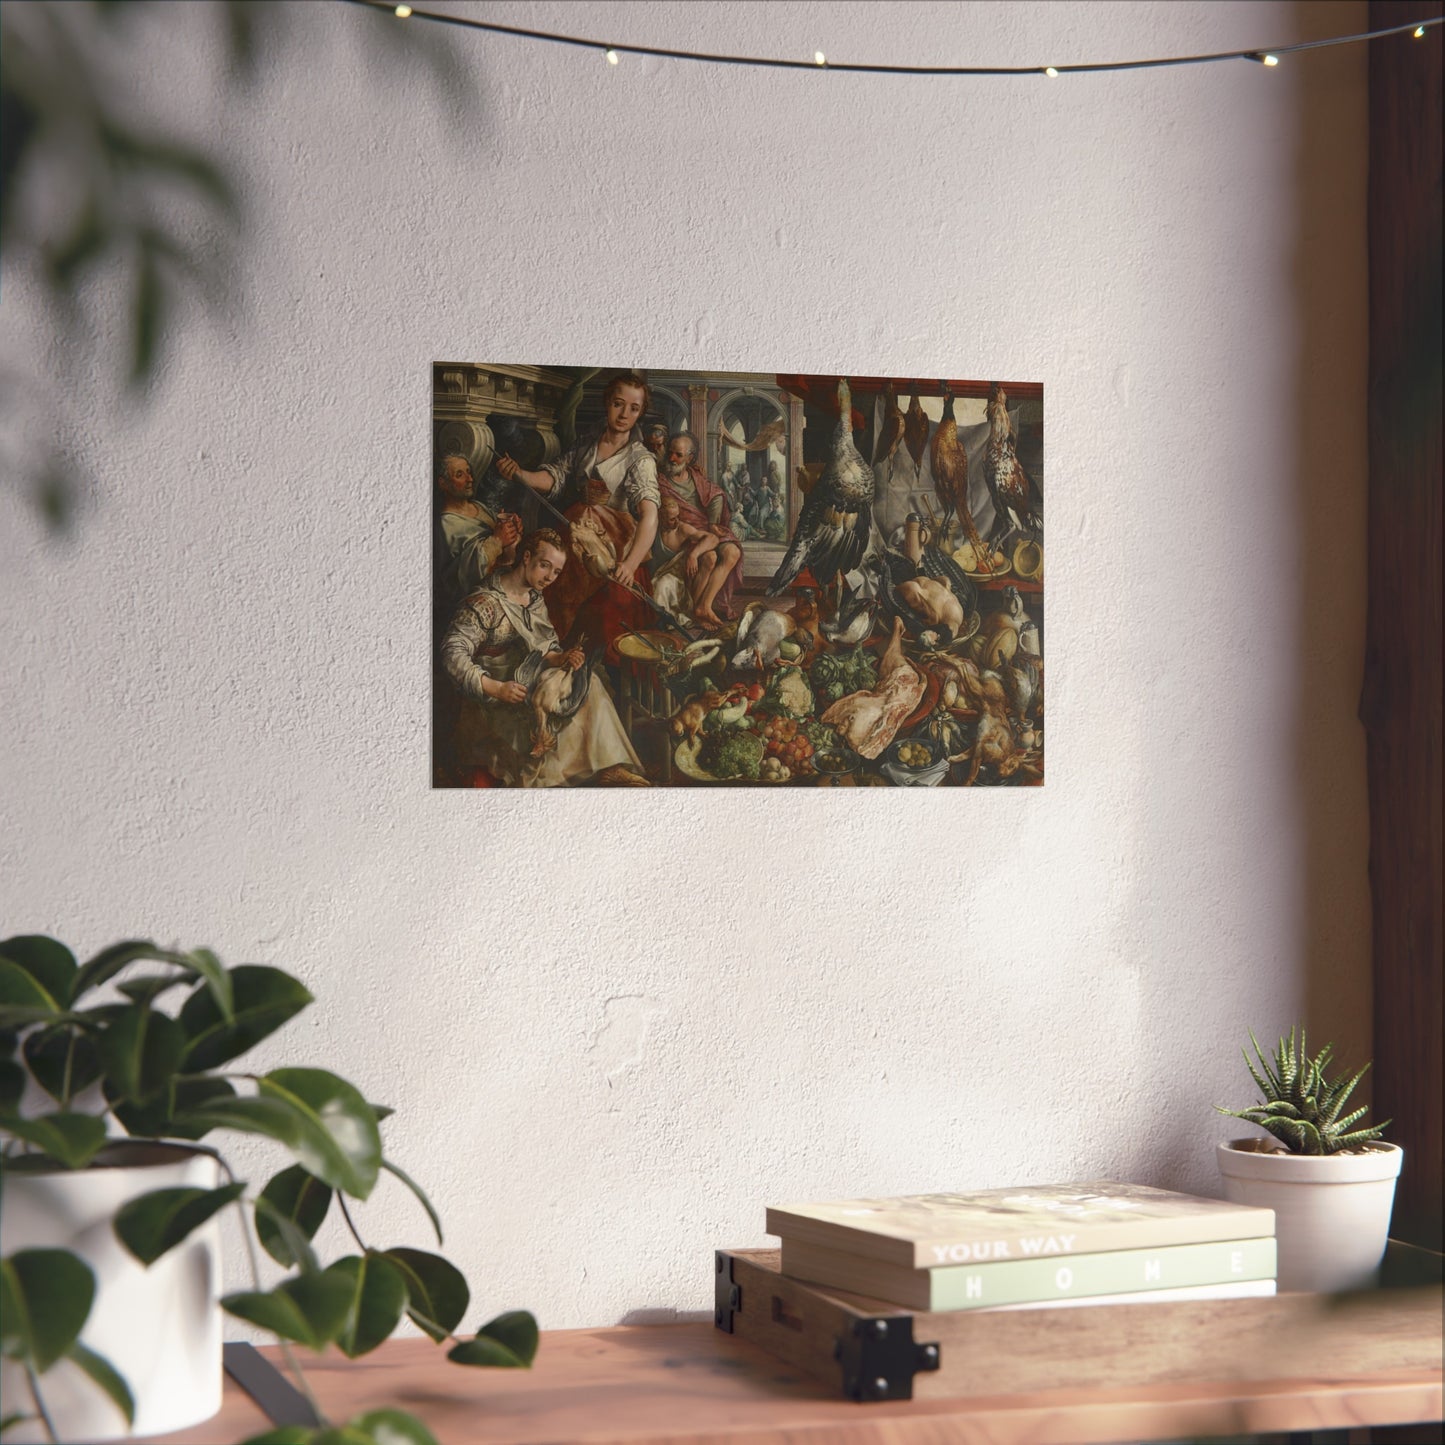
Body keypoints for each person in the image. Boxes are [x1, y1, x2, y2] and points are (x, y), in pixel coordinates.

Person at [440, 529, 647, 787]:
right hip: (493, 696)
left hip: (528, 678)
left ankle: (607, 767)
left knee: (589, 683)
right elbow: (452, 653)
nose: (550, 577)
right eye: (544, 566)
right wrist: (496, 688)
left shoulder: (534, 598)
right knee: (544, 716)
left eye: (557, 572)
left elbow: (544, 648)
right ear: (526, 557)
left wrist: (561, 658)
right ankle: (554, 780)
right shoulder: (485, 602)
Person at [496, 371, 660, 654]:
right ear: (607, 402)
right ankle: (542, 649)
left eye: (634, 408)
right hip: (574, 534)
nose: (624, 414)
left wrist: (630, 566)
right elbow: (556, 476)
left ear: (640, 413)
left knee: (595, 613)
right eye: (618, 404)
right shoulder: (587, 443)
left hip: (612, 549)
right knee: (547, 583)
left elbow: (650, 515)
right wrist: (520, 474)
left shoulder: (640, 458)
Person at [658, 431, 744, 623]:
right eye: (670, 453)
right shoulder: (660, 481)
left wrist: (713, 522)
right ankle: (699, 609)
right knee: (710, 557)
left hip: (704, 529)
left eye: (678, 455)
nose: (672, 458)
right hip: (684, 535)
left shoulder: (695, 476)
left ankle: (704, 606)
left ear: (690, 458)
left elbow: (716, 493)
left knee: (732, 552)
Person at [434, 452, 522, 609]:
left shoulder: (479, 506)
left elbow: (503, 553)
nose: (470, 479)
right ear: (443, 484)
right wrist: (498, 540)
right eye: (459, 475)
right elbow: (457, 579)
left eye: (468, 471)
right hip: (479, 603)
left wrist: (513, 531)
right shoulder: (445, 525)